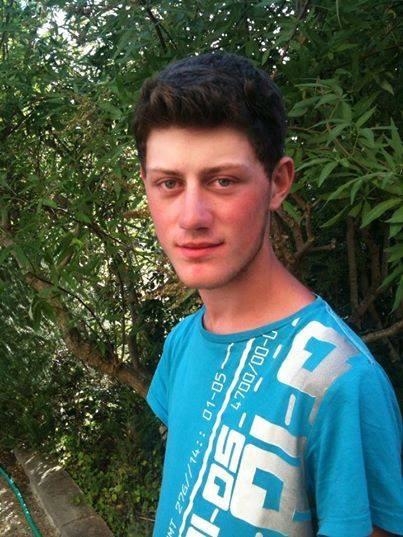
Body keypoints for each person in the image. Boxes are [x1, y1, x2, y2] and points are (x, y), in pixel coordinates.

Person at [132, 52, 403, 537]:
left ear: (278, 183)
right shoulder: (183, 342)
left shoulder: (342, 383)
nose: (191, 217)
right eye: (169, 183)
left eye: (222, 181)